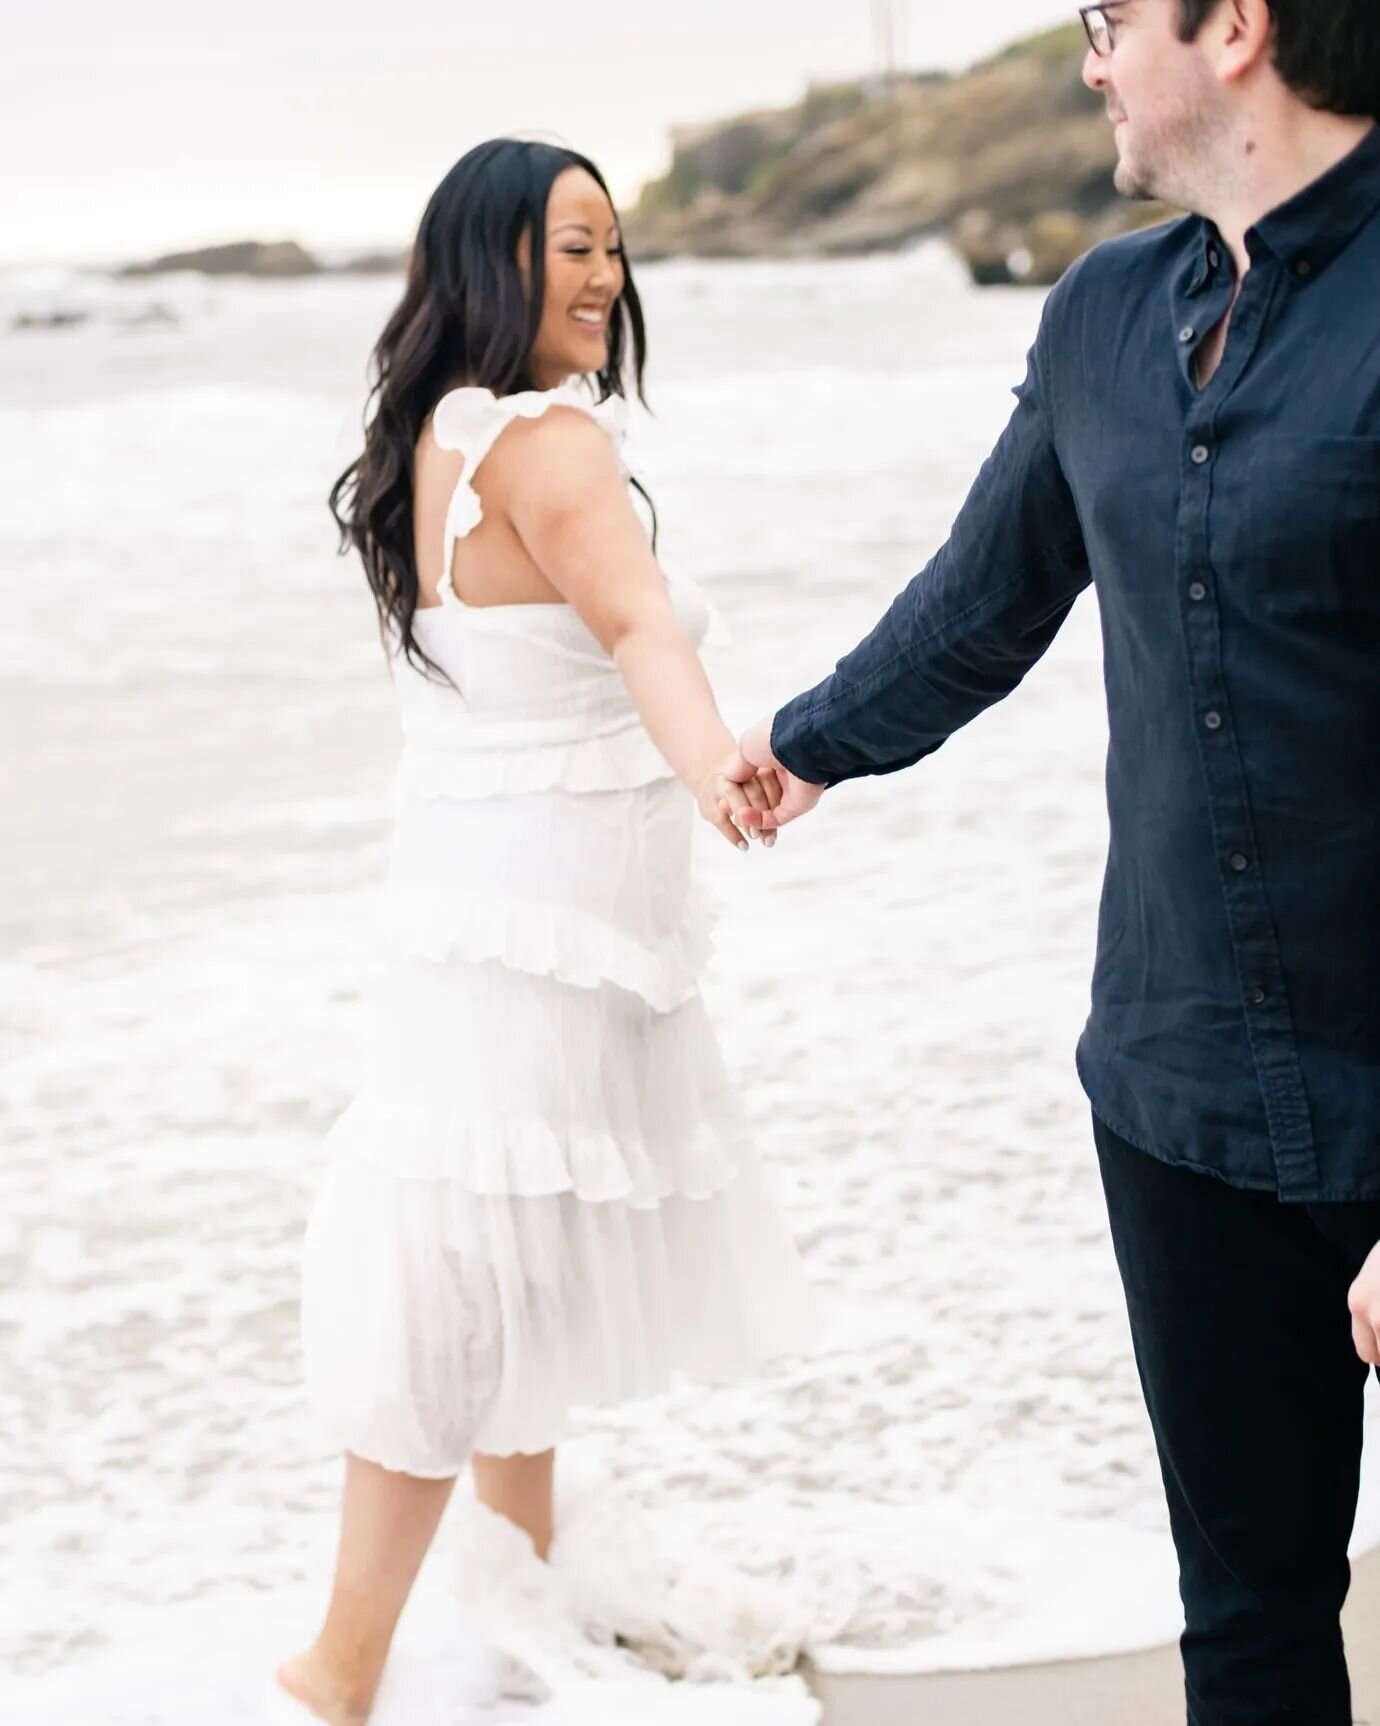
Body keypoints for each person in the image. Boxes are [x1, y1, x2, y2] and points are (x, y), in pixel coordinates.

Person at [734, 3, 1380, 1720]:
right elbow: (987, 595)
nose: (1091, 60)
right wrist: (797, 744)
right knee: (1250, 1623)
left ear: (1233, 26)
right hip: (1180, 1092)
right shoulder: (1105, 310)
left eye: (1109, 21)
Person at [274, 138, 811, 1726]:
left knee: (503, 1254)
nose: (601, 273)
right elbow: (639, 621)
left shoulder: (440, 434)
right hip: (550, 937)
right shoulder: (552, 444)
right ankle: (339, 1669)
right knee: (463, 1276)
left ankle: (513, 1598)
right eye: (567, 244)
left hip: (480, 916)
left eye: (613, 245)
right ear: (484, 259)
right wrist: (720, 761)